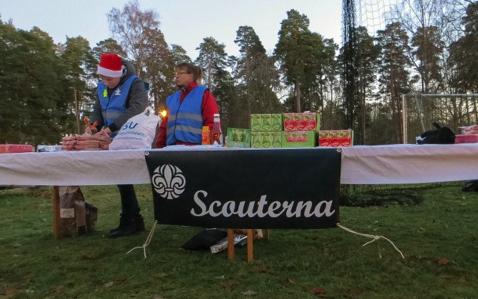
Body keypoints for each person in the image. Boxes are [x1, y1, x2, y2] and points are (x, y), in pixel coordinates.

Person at [88, 52, 148, 238]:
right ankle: (132, 219)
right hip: (109, 139)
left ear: (120, 73)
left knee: (124, 177)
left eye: (109, 78)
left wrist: (112, 126)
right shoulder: (102, 87)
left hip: (130, 136)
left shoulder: (135, 84)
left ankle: (131, 220)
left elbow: (138, 108)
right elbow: (98, 109)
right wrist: (94, 124)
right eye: (103, 78)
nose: (106, 82)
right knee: (121, 179)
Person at [154, 62, 219, 148]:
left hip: (195, 151)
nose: (177, 76)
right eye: (176, 74)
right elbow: (164, 127)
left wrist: (206, 149)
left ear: (191, 75)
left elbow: (213, 123)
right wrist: (159, 148)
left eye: (180, 73)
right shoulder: (172, 99)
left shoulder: (204, 94)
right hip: (170, 151)